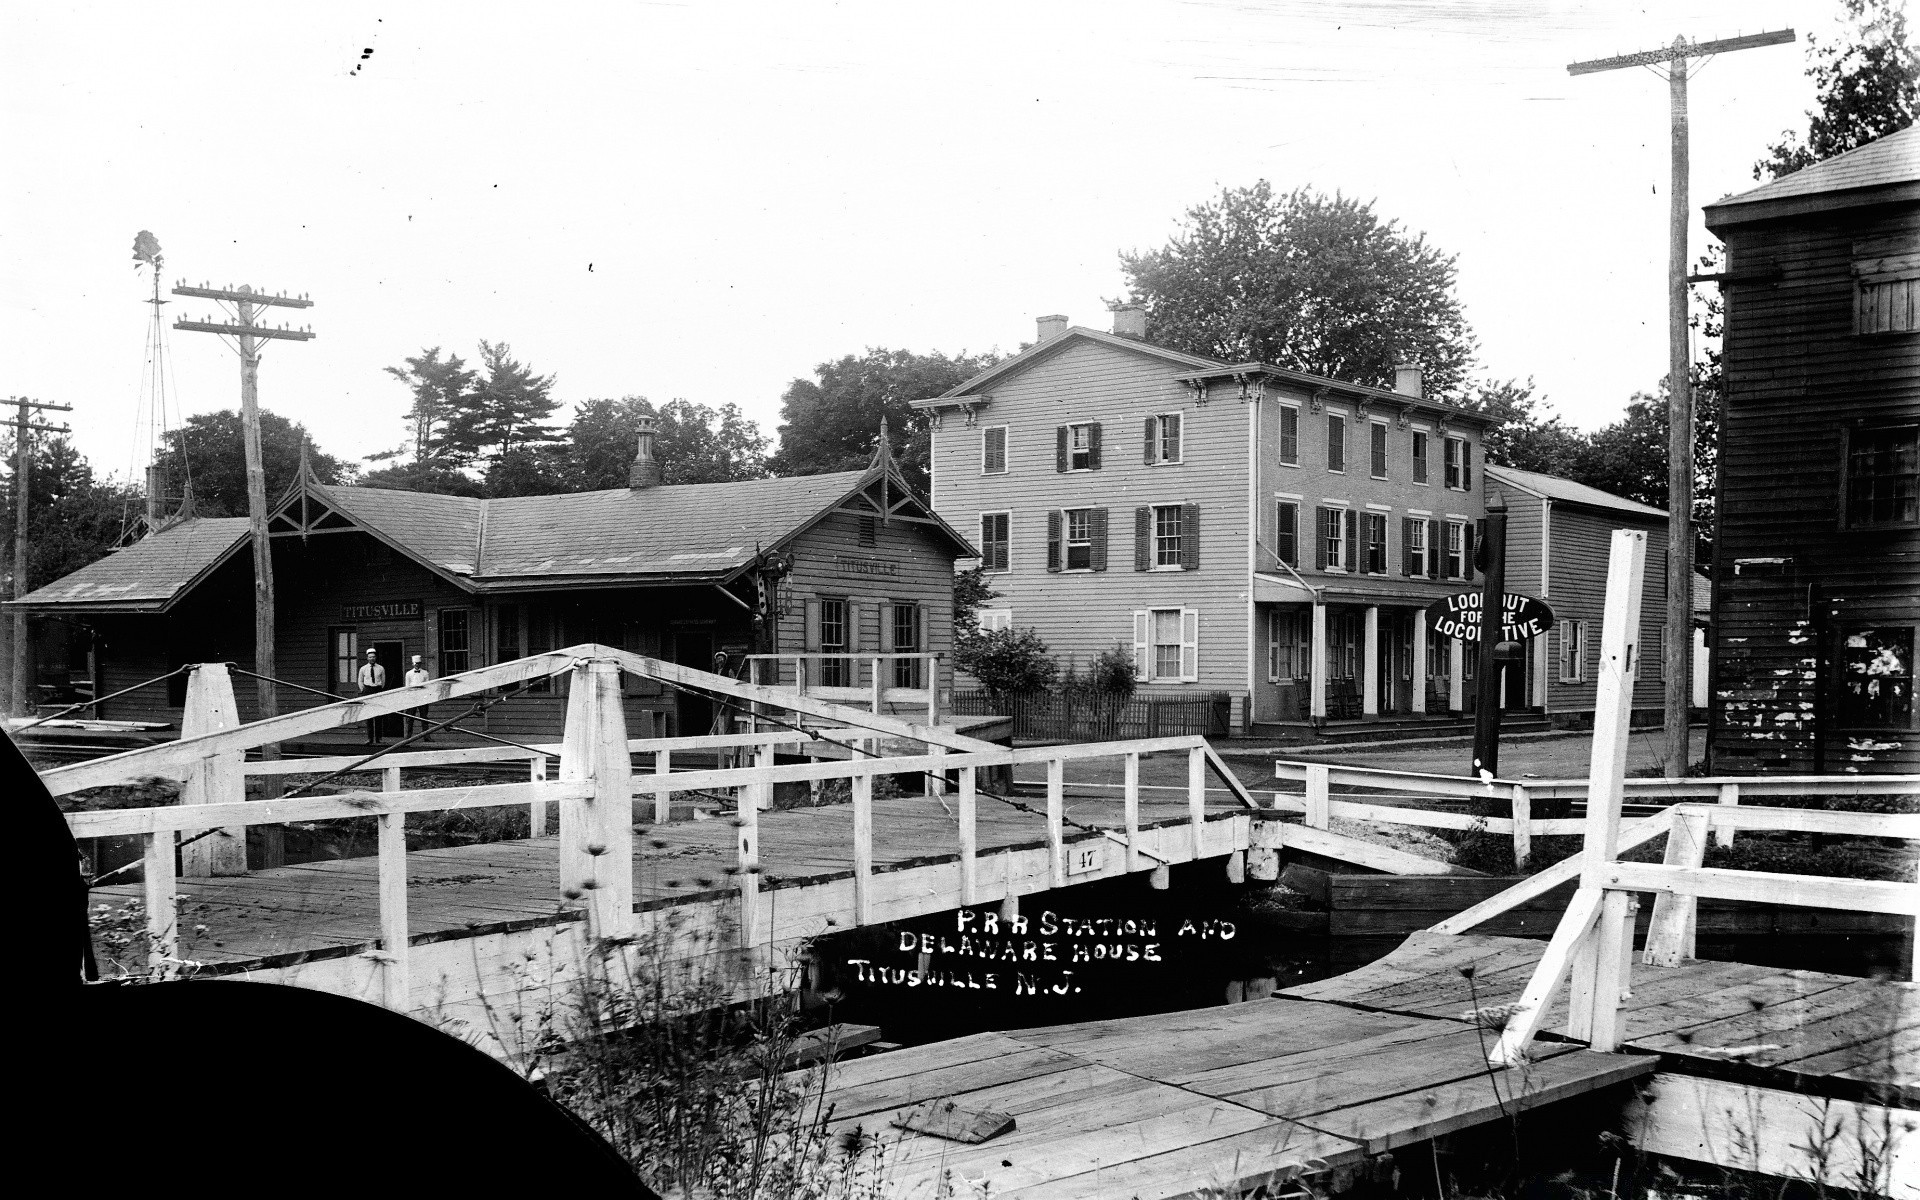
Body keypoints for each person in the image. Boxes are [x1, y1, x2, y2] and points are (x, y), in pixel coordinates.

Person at [357, 648, 388, 744]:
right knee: (369, 715)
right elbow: (360, 681)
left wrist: (379, 689)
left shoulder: (380, 668)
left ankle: (378, 739)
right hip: (367, 690)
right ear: (367, 658)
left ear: (376, 657)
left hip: (377, 690)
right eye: (370, 657)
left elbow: (383, 681)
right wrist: (363, 690)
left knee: (378, 715)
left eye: (373, 657)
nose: (372, 659)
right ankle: (370, 738)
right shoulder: (363, 669)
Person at [404, 655, 432, 740]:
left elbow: (427, 686)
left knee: (424, 717)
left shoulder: (425, 673)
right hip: (412, 697)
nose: (417, 665)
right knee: (410, 717)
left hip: (422, 697)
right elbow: (407, 687)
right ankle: (408, 737)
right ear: (413, 664)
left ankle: (426, 736)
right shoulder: (408, 674)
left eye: (419, 663)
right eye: (416, 663)